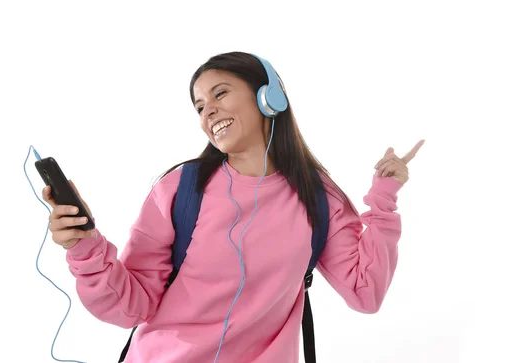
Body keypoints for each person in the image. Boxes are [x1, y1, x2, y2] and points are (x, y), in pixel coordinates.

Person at [42, 51, 424, 363]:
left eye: (220, 94)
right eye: (199, 106)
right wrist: (85, 246)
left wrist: (384, 198)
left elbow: (366, 293)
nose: (208, 112)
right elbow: (131, 305)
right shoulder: (180, 189)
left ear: (268, 96)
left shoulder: (318, 197)